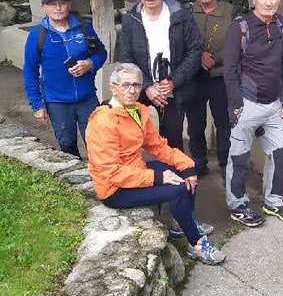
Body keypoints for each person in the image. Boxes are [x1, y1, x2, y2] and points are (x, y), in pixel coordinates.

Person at [87, 64, 226, 265]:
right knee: (177, 189)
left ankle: (181, 222)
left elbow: (157, 146)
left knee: (186, 171)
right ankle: (196, 244)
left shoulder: (138, 110)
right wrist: (158, 177)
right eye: (125, 85)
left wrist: (187, 165)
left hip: (136, 172)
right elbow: (110, 172)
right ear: (113, 87)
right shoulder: (103, 121)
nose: (132, 90)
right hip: (114, 189)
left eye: (136, 85)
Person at [223, 0, 283, 227]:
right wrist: (236, 104)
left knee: (281, 154)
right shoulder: (240, 27)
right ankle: (238, 205)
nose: (268, 1)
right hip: (246, 103)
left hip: (274, 105)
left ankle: (274, 202)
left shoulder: (281, 24)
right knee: (239, 158)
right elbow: (230, 69)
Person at [118, 0, 202, 152]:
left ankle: (174, 169)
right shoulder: (130, 19)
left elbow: (195, 51)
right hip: (140, 87)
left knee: (172, 140)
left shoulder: (181, 16)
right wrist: (147, 86)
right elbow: (126, 58)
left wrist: (173, 82)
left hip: (172, 87)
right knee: (129, 136)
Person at [23, 0, 107, 157]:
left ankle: (99, 173)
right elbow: (30, 70)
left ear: (69, 5)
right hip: (57, 102)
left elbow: (101, 53)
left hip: (87, 98)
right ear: (44, 7)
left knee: (98, 142)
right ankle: (75, 173)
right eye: (52, 4)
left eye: (62, 3)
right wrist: (37, 104)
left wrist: (90, 64)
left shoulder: (84, 28)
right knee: (67, 144)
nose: (58, 8)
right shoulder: (37, 35)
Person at [185, 0, 234, 177]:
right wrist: (199, 57)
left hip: (220, 76)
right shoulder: (187, 13)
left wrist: (216, 59)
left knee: (224, 122)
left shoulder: (229, 11)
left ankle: (225, 163)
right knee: (195, 124)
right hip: (194, 77)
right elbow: (181, 42)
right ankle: (199, 162)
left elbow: (237, 42)